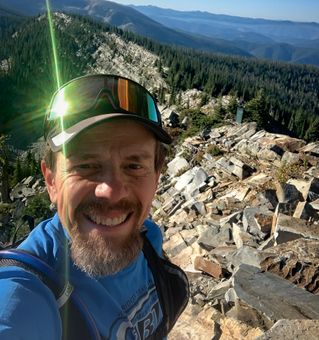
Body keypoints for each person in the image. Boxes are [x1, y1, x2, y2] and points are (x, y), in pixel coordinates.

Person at [0, 74, 189, 339]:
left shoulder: (150, 238)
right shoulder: (23, 293)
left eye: (134, 166)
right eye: (86, 166)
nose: (111, 192)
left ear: (156, 178)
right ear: (51, 181)